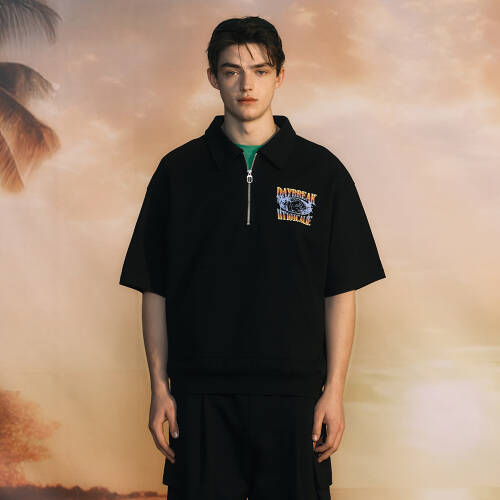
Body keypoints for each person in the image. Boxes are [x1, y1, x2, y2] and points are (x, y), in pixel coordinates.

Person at [119, 15, 386, 500]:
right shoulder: (178, 172)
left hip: (296, 400)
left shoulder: (322, 172)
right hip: (199, 397)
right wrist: (159, 387)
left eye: (260, 71)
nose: (247, 85)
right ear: (213, 77)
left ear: (280, 76)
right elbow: (153, 288)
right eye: (232, 71)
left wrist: (334, 391)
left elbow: (339, 291)